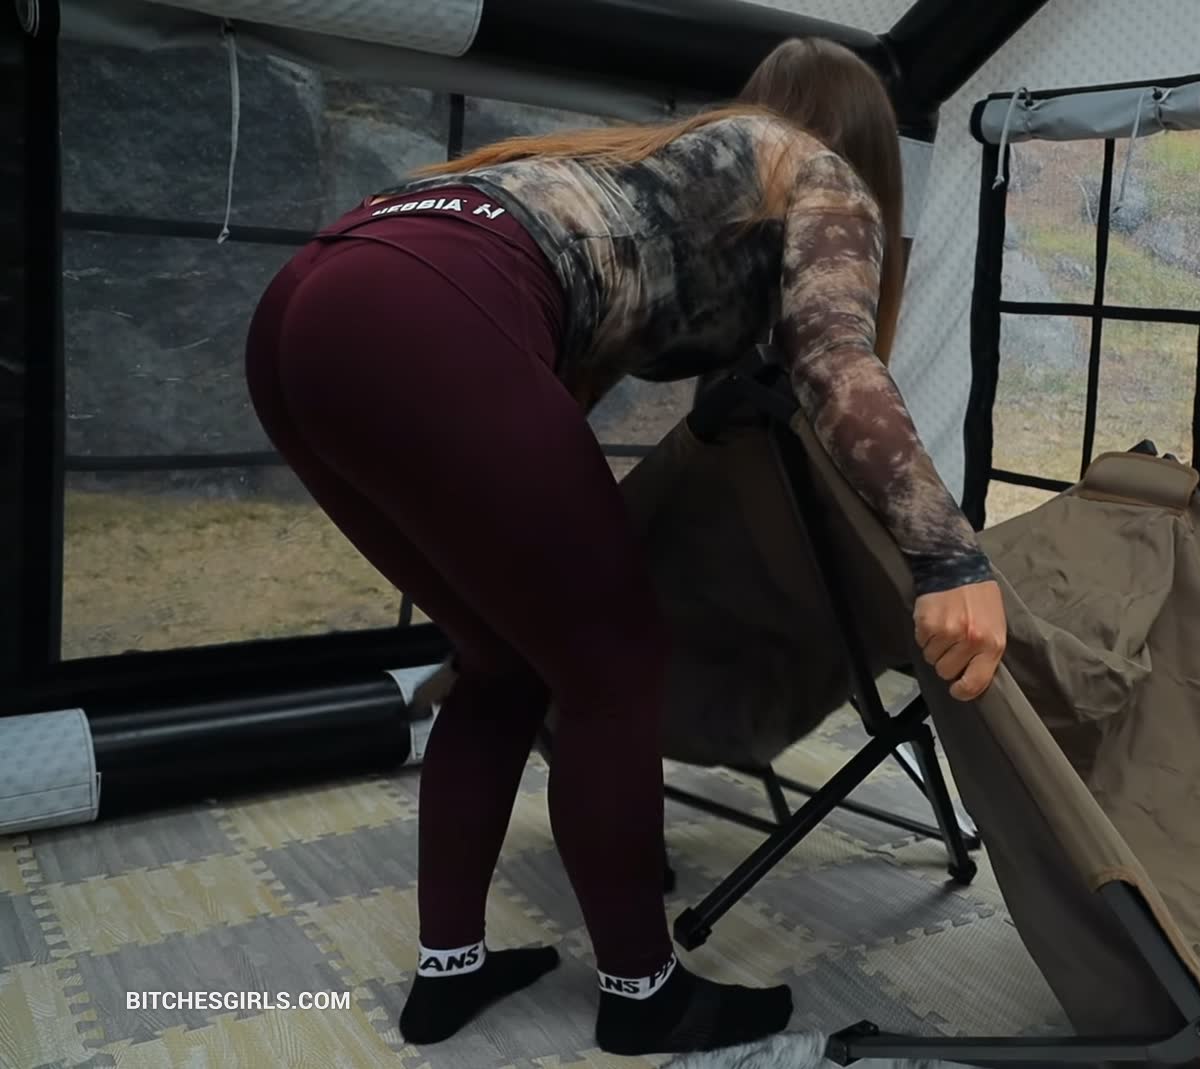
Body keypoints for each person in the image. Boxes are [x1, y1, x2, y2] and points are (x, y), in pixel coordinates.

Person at [242, 37, 1008, 1057]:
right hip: (424, 312)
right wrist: (951, 559)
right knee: (617, 665)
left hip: (307, 304)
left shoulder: (651, 159)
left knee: (501, 657)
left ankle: (448, 971)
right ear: (862, 140)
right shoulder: (815, 169)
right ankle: (645, 995)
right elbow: (834, 357)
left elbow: (558, 373)